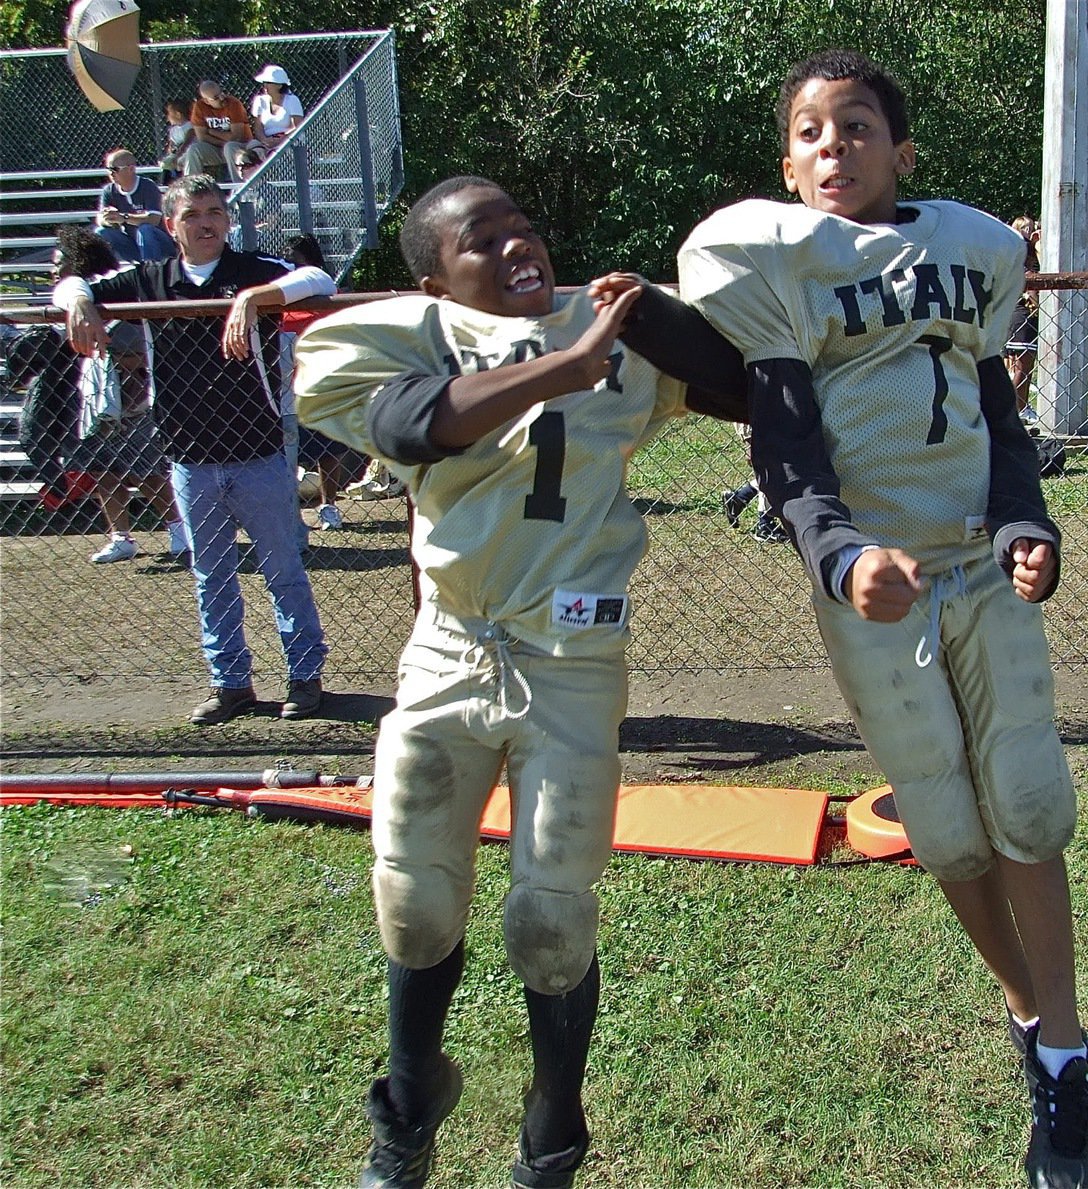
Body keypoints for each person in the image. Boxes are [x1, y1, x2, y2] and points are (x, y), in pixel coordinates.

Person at [676, 49, 1088, 1189]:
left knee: (1027, 802)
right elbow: (784, 451)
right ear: (786, 163)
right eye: (812, 133)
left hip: (977, 560)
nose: (836, 148)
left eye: (858, 127)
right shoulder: (774, 266)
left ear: (903, 150)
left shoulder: (972, 252)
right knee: (946, 829)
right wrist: (837, 556)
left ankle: (1064, 1050)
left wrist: (1031, 525)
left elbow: (997, 415)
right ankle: (1042, 1028)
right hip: (876, 583)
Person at [292, 175, 746, 1189]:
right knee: (413, 902)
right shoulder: (411, 335)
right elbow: (413, 425)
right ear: (432, 278)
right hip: (451, 649)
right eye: (481, 240)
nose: (514, 248)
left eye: (523, 229)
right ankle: (411, 1099)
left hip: (570, 660)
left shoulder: (611, 329)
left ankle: (554, 1129)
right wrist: (564, 367)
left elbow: (753, 386)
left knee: (551, 918)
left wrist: (662, 321)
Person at [52, 173, 336, 724]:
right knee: (212, 575)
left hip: (258, 453)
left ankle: (305, 676)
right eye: (193, 215)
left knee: (284, 570)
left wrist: (257, 299)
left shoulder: (253, 270)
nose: (207, 223)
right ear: (170, 226)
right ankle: (231, 684)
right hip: (189, 457)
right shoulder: (151, 277)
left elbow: (316, 276)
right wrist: (81, 304)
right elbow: (71, 283)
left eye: (215, 213)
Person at [53, 226, 187, 563]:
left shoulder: (117, 293)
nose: (54, 270)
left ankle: (179, 529)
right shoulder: (78, 300)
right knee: (103, 468)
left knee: (147, 470)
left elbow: (137, 349)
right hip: (101, 396)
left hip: (134, 397)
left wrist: (126, 375)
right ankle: (120, 536)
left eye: (61, 263)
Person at [279, 233, 363, 532]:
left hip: (320, 383)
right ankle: (291, 515)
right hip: (284, 388)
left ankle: (329, 505)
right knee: (285, 453)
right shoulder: (278, 297)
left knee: (328, 450)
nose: (292, 267)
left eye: (297, 261)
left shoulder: (327, 293)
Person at [95, 148, 176, 264]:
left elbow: (154, 219)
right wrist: (108, 219)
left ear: (131, 169)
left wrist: (123, 218)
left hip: (160, 245)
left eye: (114, 169)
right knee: (101, 232)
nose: (110, 173)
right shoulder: (109, 190)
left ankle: (150, 271)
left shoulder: (147, 186)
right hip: (134, 245)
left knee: (145, 229)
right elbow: (100, 218)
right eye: (108, 169)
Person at [720, 422, 789, 543]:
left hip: (772, 417)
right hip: (753, 420)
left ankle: (740, 498)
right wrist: (749, 440)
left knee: (778, 467)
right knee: (769, 467)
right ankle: (765, 525)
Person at [1004, 215, 1041, 420]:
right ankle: (1015, 410)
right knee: (1022, 366)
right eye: (1025, 228)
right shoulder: (1020, 258)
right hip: (1022, 315)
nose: (1031, 231)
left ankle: (1020, 407)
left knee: (1022, 366)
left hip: (1015, 315)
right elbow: (1032, 290)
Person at [180, 81, 252, 182]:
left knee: (229, 146)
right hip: (216, 149)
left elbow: (236, 137)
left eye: (221, 93)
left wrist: (210, 131)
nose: (222, 98)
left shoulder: (234, 104)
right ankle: (190, 188)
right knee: (194, 149)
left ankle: (239, 189)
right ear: (206, 101)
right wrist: (223, 140)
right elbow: (202, 137)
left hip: (239, 147)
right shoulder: (199, 107)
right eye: (216, 98)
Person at [248, 65, 304, 156]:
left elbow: (298, 127)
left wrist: (280, 140)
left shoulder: (293, 100)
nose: (265, 85)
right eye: (264, 82)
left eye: (269, 82)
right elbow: (258, 128)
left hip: (289, 142)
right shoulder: (259, 100)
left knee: (276, 153)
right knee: (251, 149)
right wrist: (265, 141)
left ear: (279, 85)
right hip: (265, 143)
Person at [160, 99, 196, 181]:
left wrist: (177, 155)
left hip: (186, 153)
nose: (167, 118)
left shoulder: (189, 127)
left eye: (169, 114)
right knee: (165, 164)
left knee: (179, 162)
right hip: (176, 154)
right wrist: (170, 154)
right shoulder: (173, 130)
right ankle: (166, 183)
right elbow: (171, 145)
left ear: (178, 114)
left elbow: (187, 143)